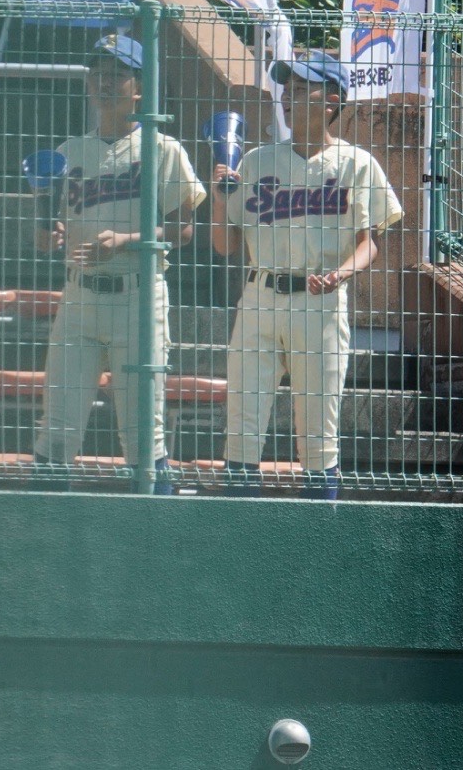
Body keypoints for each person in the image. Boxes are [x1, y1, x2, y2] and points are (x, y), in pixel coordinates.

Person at [212, 50, 402, 501]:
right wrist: (219, 198)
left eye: (301, 89)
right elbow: (225, 245)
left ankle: (319, 528)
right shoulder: (256, 160)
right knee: (242, 426)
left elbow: (371, 241)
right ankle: (236, 527)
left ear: (331, 100)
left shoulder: (356, 163)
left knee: (318, 431)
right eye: (287, 89)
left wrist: (341, 273)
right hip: (260, 298)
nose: (287, 97)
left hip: (320, 302)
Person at [30, 35, 205, 494]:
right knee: (57, 427)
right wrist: (50, 233)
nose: (104, 82)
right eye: (97, 74)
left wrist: (126, 242)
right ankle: (40, 529)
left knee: (144, 430)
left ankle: (151, 526)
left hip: (138, 295)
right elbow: (46, 235)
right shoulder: (69, 150)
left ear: (139, 88)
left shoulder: (162, 148)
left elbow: (184, 230)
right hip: (79, 296)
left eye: (117, 74)